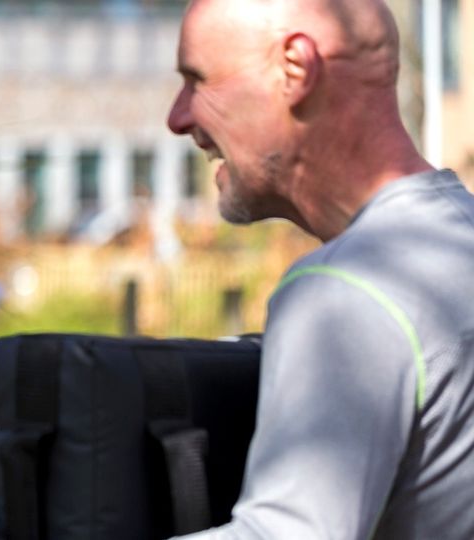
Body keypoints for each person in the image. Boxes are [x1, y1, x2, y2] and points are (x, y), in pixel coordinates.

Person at [167, 0, 474, 538]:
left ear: (296, 68)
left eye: (198, 80)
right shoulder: (456, 243)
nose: (178, 118)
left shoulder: (346, 291)